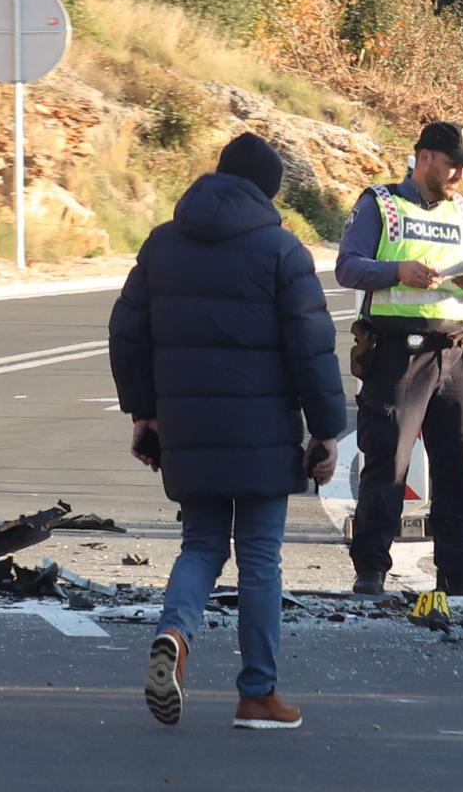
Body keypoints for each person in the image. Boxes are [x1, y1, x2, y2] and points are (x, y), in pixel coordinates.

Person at [109, 132, 344, 732]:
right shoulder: (282, 250)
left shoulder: (162, 246)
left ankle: (174, 633)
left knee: (203, 544)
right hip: (263, 432)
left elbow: (126, 333)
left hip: (188, 428)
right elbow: (312, 345)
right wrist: (325, 431)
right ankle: (258, 694)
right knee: (260, 559)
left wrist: (144, 413)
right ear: (269, 191)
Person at [336, 121, 463, 598]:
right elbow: (347, 266)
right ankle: (370, 567)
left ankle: (458, 568)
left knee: (457, 469)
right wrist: (397, 272)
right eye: (453, 164)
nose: (460, 174)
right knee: (387, 465)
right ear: (424, 157)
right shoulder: (381, 205)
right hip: (396, 356)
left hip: (457, 354)